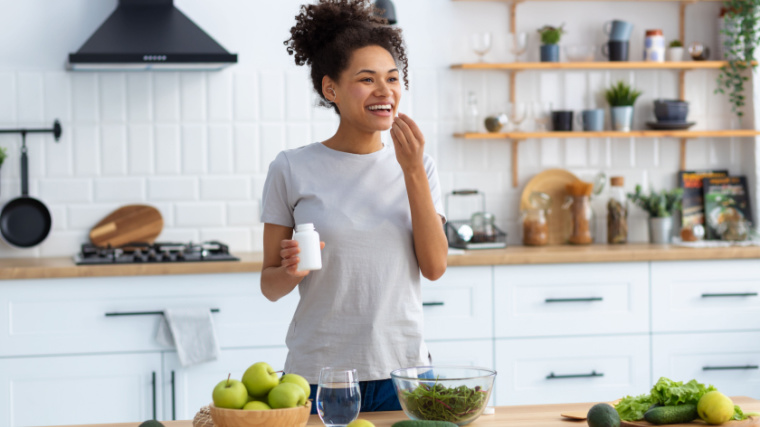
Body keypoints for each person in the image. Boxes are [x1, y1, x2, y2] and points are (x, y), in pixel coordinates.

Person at [260, 0, 448, 413]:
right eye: (367, 79)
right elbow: (269, 286)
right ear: (331, 89)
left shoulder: (420, 165)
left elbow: (434, 267)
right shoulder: (291, 168)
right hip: (319, 376)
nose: (385, 91)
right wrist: (291, 271)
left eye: (393, 79)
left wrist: (412, 170)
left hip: (406, 372)